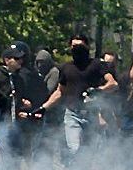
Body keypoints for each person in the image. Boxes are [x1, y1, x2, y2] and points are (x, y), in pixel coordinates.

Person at [35, 34, 118, 163]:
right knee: (75, 149)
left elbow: (113, 84)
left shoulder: (96, 65)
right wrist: (43, 108)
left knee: (90, 152)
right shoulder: (66, 68)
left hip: (91, 114)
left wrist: (98, 90)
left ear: (87, 47)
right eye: (73, 46)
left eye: (80, 46)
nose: (76, 49)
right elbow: (60, 92)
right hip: (72, 114)